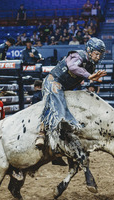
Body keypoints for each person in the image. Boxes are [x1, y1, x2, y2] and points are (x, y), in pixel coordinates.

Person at [35, 37, 106, 188]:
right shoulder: (77, 55)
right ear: (89, 50)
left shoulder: (91, 66)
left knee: (66, 106)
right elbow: (73, 68)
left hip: (64, 88)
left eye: (100, 54)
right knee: (59, 107)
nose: (98, 56)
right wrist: (89, 76)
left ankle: (56, 148)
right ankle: (41, 132)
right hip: (53, 82)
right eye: (96, 53)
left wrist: (91, 78)